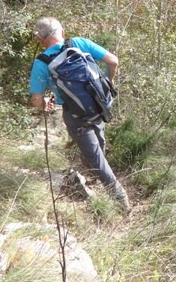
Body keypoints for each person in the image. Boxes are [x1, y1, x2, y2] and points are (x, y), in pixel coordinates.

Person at [29, 17, 130, 212]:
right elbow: (113, 61)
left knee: (96, 158)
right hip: (99, 105)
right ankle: (94, 171)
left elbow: (36, 99)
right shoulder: (79, 43)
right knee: (98, 145)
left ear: (40, 40)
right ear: (62, 31)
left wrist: (44, 105)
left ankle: (120, 200)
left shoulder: (42, 63)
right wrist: (109, 82)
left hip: (75, 115)